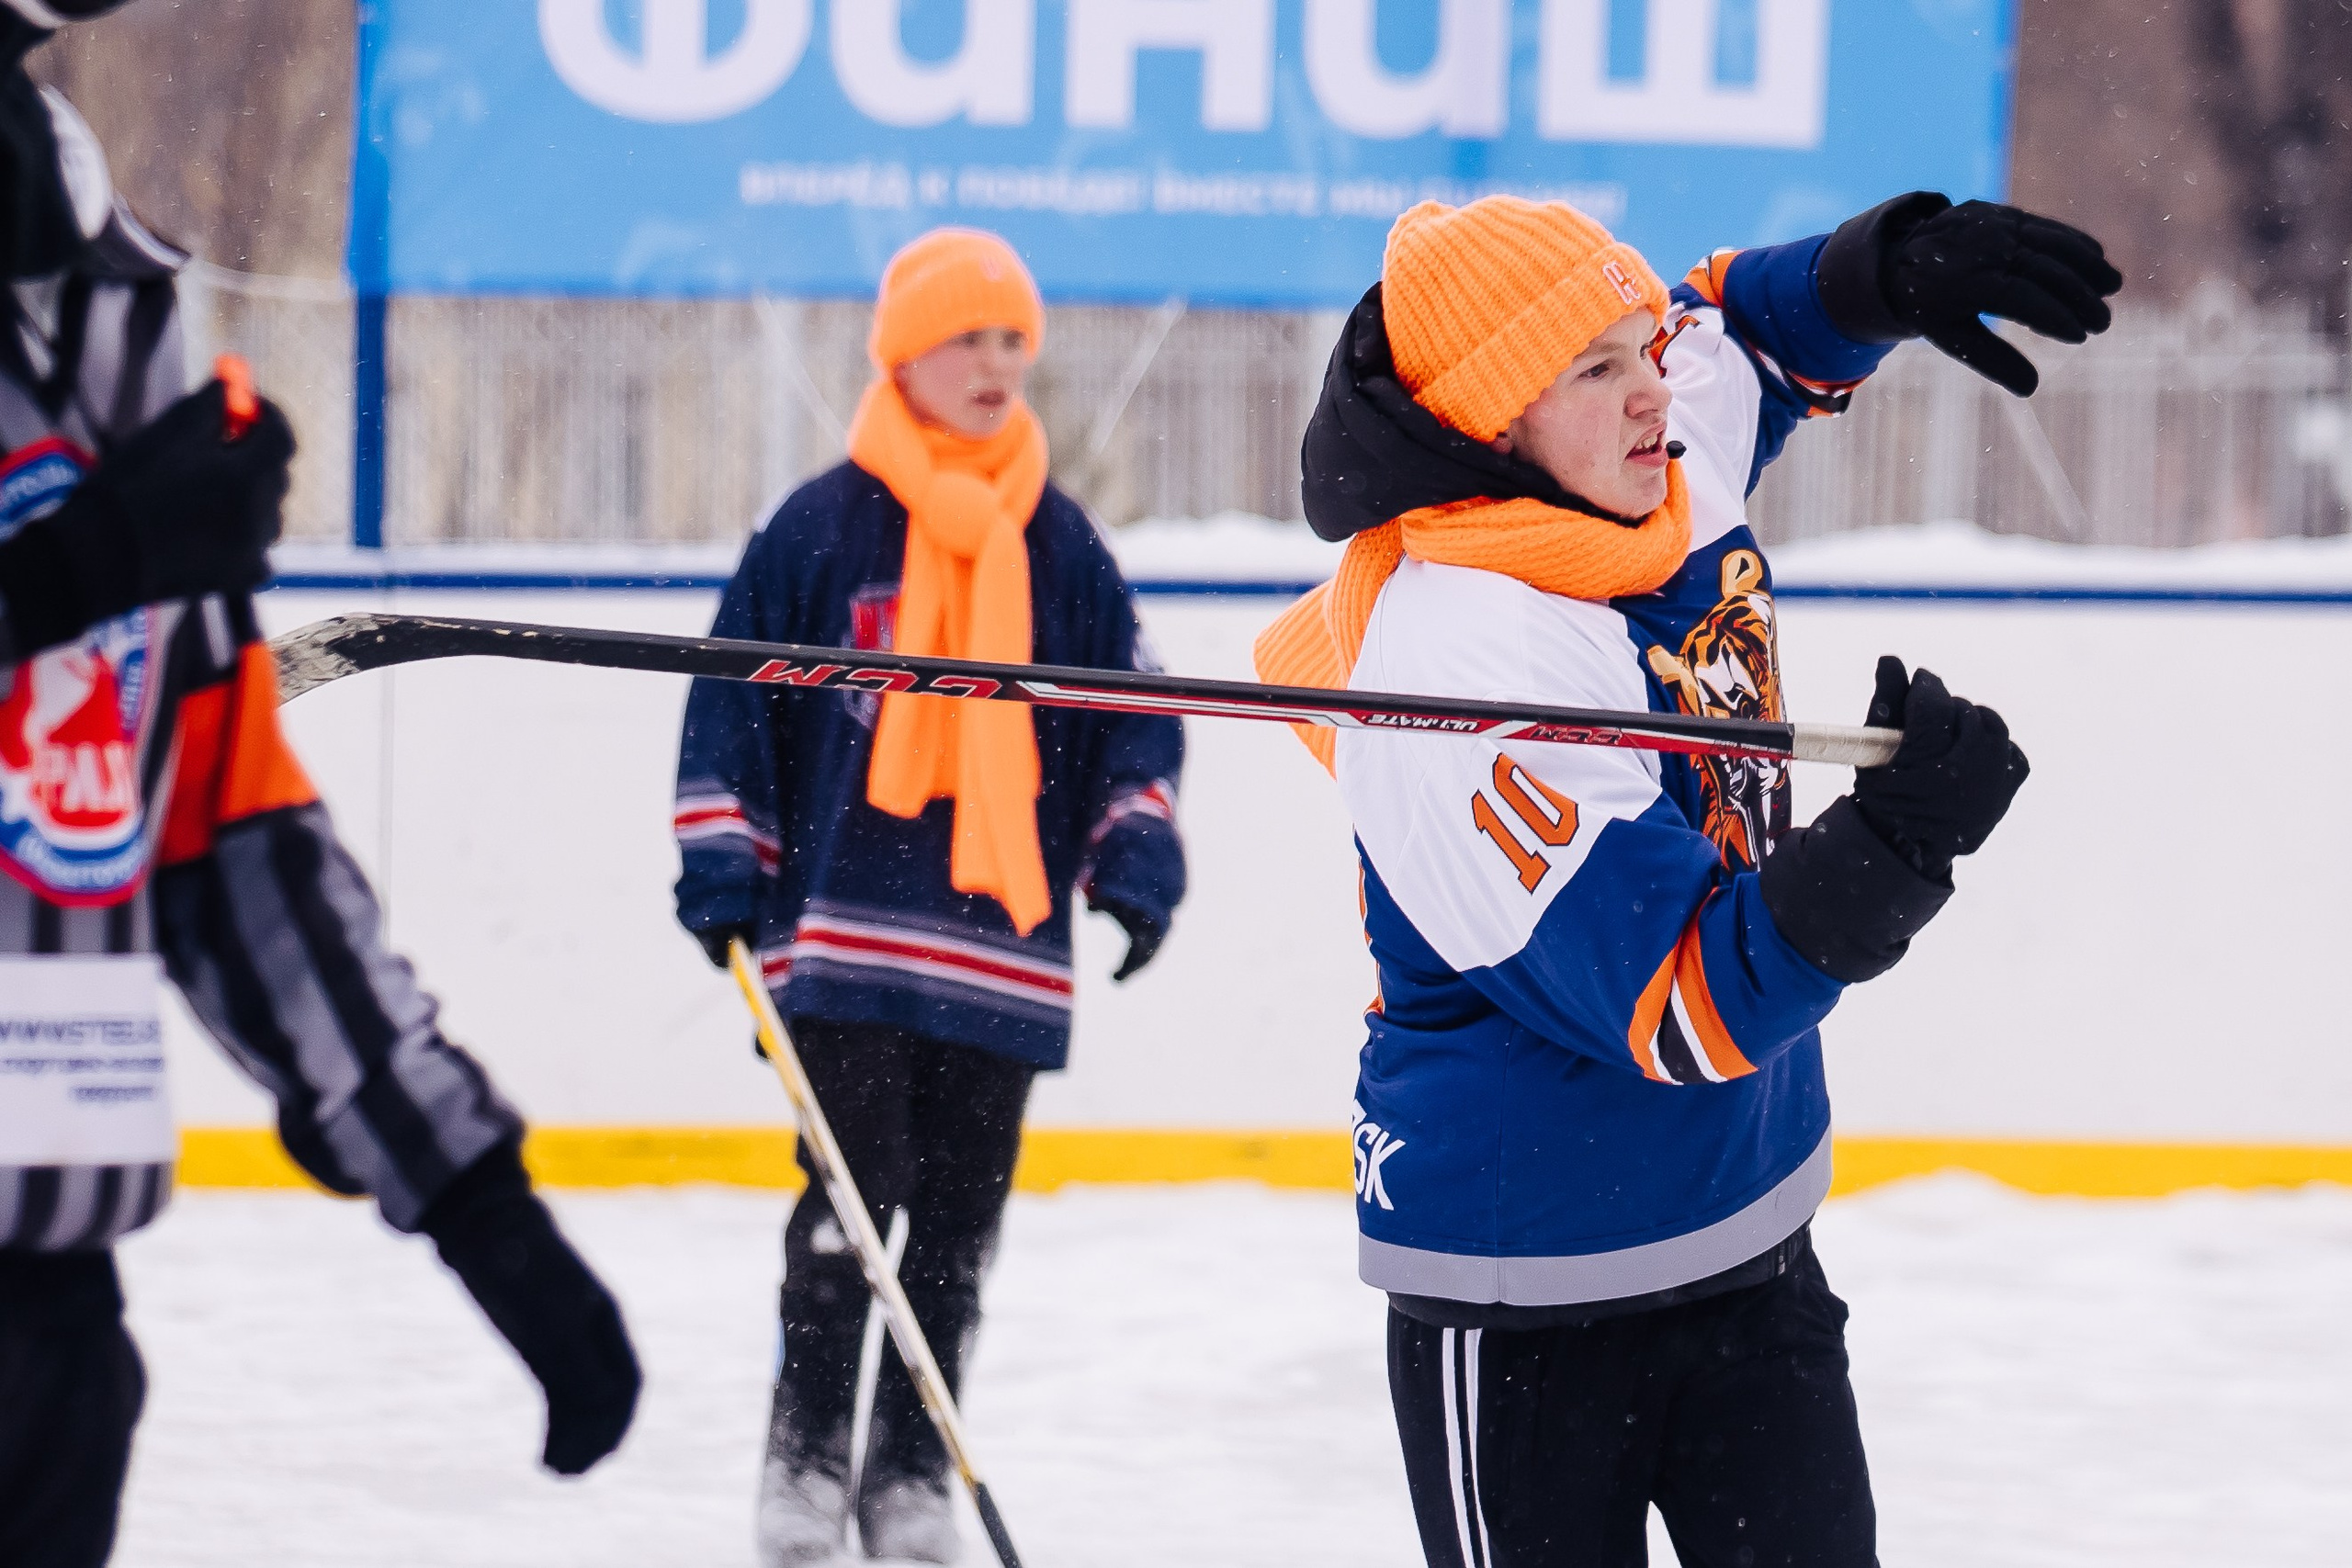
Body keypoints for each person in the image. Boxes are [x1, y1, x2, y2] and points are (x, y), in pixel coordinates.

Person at [1255, 191, 2119, 1565]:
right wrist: (1895, 849)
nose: (1652, 387)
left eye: (1641, 346)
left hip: (1749, 1239)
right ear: (1493, 424)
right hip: (1527, 1284)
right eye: (1597, 368)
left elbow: (1744, 337)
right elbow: (1679, 999)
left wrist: (1875, 276)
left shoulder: (1640, 465)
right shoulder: (1463, 657)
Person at [0, 6, 640, 1563]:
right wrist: (67, 576)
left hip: (42, 1310)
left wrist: (474, 1197)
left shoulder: (104, 312)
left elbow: (221, 831)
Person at [674, 227, 1185, 1565]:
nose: (997, 363)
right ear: (904, 353)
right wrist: (723, 859)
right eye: (968, 338)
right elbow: (729, 706)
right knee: (846, 1214)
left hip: (1000, 952)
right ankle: (802, 1457)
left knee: (956, 1233)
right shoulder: (819, 528)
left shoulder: (1063, 547)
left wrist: (1137, 857)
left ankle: (910, 1472)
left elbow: (1135, 720)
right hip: (841, 940)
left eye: (1015, 340)